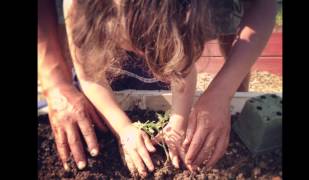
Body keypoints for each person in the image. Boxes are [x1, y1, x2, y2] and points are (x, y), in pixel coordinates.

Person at [38, 0, 276, 177]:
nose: (146, 60)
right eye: (135, 49)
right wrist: (123, 129)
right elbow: (89, 77)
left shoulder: (180, 16)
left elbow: (183, 71)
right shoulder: (80, 8)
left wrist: (178, 122)